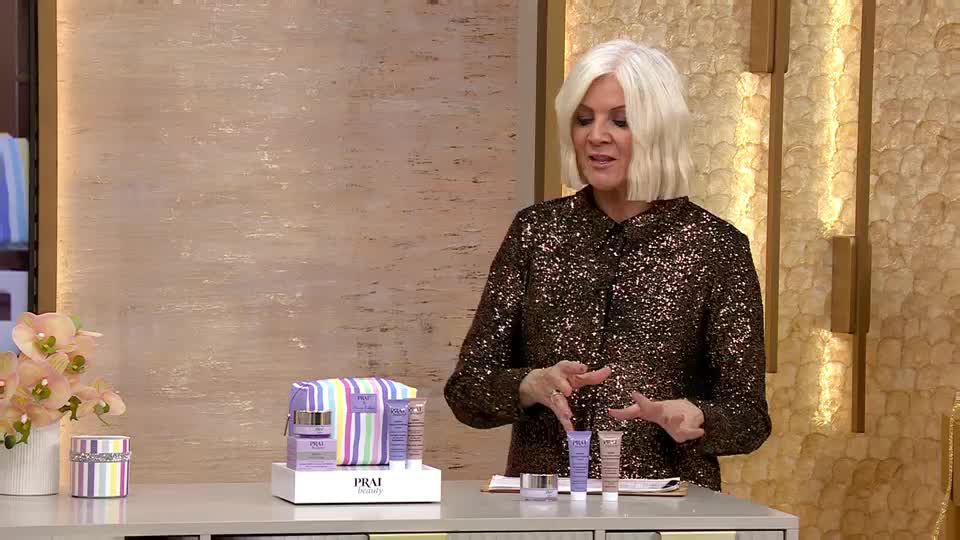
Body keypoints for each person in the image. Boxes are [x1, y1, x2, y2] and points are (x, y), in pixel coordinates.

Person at [443, 39, 771, 490]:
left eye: (621, 121)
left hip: (667, 513)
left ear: (659, 130)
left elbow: (750, 417)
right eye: (584, 119)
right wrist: (529, 384)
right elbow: (467, 389)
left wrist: (695, 415)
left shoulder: (716, 247)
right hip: (543, 512)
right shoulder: (536, 233)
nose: (596, 135)